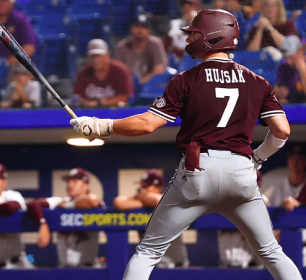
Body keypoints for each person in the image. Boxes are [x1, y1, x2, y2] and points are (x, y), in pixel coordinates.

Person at [70, 9, 303, 280]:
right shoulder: (258, 82)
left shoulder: (186, 79)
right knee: (271, 252)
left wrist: (101, 126)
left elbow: (147, 125)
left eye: (195, 32)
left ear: (213, 37)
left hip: (198, 171)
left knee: (147, 252)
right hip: (241, 172)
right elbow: (283, 130)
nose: (190, 37)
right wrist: (258, 158)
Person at [27, 168, 105, 268]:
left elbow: (91, 202)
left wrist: (69, 205)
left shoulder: (93, 201)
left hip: (88, 268)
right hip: (65, 268)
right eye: (68, 181)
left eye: (75, 181)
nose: (70, 185)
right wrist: (43, 224)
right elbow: (33, 204)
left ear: (86, 186)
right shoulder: (59, 201)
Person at [113, 169, 189, 269]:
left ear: (157, 188)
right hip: (151, 268)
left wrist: (140, 199)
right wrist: (143, 201)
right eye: (141, 186)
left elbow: (158, 200)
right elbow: (118, 202)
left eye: (145, 186)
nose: (141, 189)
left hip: (176, 267)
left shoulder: (169, 198)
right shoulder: (140, 199)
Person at [73, 39, 134, 108]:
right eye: (93, 56)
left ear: (107, 55)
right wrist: (86, 103)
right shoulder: (83, 72)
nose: (96, 60)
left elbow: (125, 97)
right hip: (90, 112)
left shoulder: (120, 70)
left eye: (99, 56)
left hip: (116, 111)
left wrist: (99, 103)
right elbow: (78, 97)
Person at [115, 15, 169, 83]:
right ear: (131, 28)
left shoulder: (156, 44)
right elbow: (117, 72)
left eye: (144, 27)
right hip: (128, 85)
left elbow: (159, 69)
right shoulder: (121, 47)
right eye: (137, 26)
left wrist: (141, 82)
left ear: (149, 30)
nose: (140, 30)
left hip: (150, 85)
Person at [261, 145, 306, 211]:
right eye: (292, 158)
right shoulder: (277, 185)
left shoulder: (304, 188)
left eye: (300, 158)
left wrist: (300, 205)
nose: (295, 162)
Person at [274, 35, 306, 104]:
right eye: (286, 57)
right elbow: (276, 90)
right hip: (293, 103)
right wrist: (279, 92)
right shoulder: (284, 67)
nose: (289, 62)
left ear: (301, 51)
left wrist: (302, 69)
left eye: (291, 57)